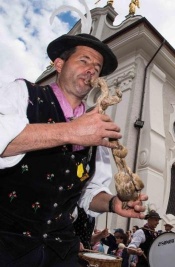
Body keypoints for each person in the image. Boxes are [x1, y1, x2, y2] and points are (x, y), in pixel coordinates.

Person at [0, 33, 148, 266]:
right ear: (59, 65)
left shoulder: (95, 126)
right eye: (84, 60)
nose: (91, 70)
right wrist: (71, 131)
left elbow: (88, 192)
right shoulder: (23, 93)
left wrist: (112, 203)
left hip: (60, 250)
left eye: (97, 67)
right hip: (7, 245)